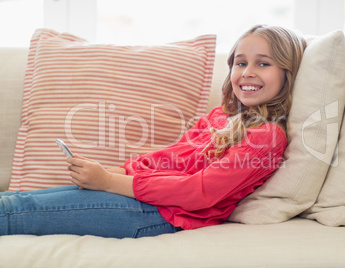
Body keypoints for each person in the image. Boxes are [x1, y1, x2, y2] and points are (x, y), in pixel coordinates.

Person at [0, 25, 306, 238]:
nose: (248, 72)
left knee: (16, 211)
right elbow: (168, 158)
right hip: (142, 199)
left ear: (287, 75)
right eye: (240, 63)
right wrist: (118, 171)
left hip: (159, 215)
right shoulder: (220, 116)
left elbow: (200, 191)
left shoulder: (266, 137)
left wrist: (110, 182)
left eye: (263, 63)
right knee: (16, 200)